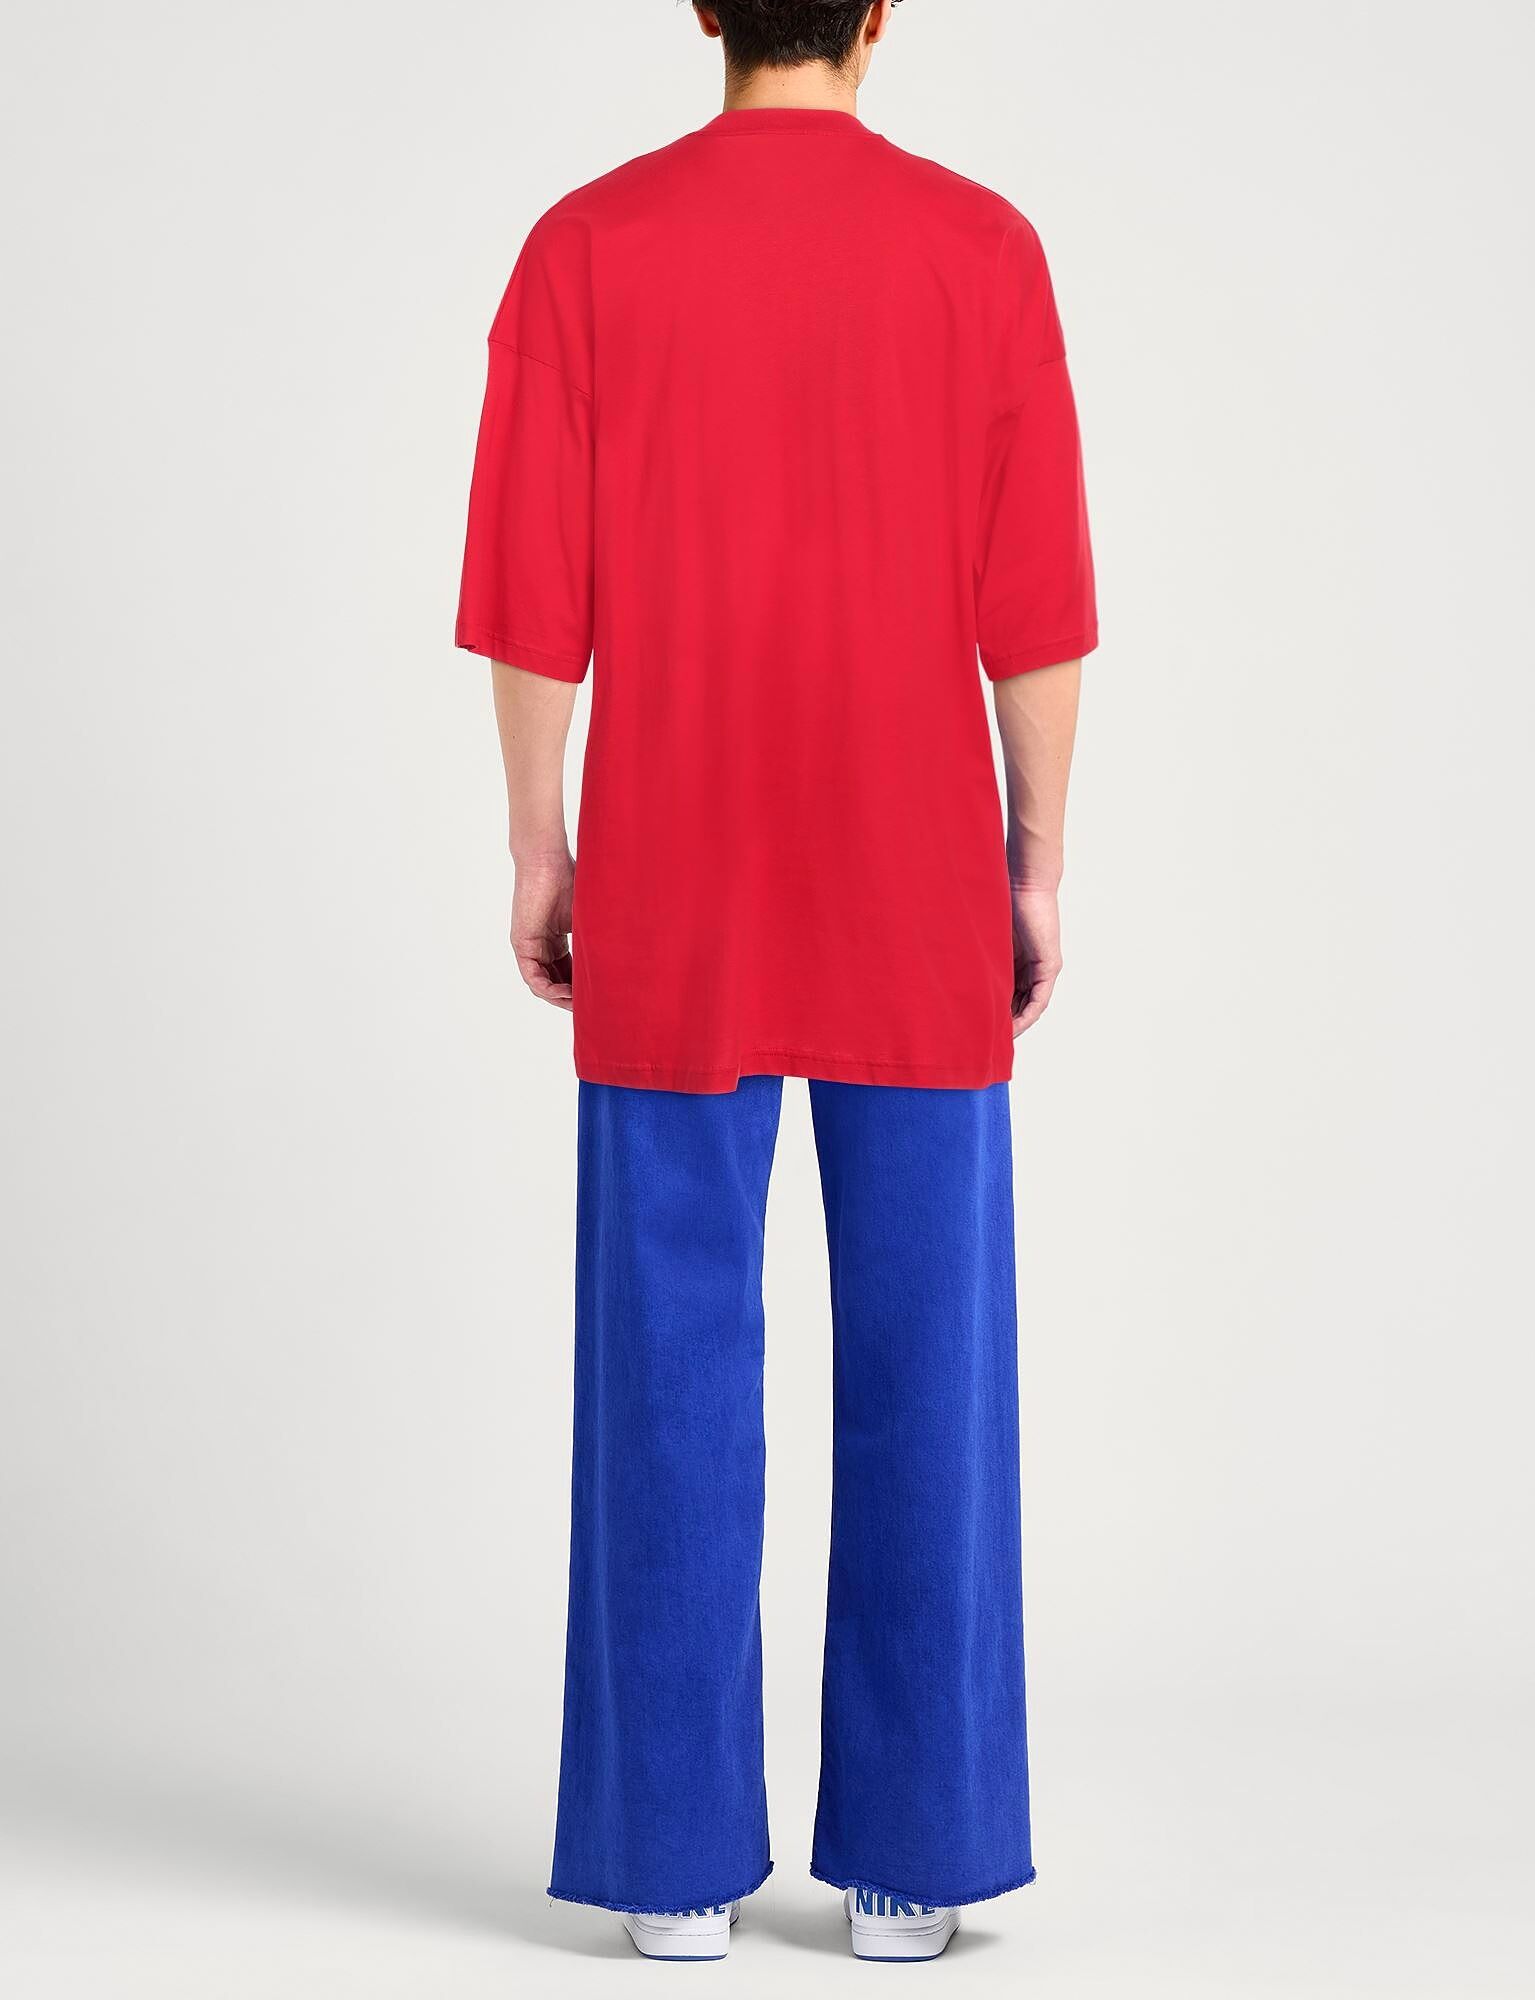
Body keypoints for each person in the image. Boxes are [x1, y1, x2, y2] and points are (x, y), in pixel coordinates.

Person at [456, 0, 1095, 1964]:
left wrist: (542, 845)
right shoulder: (980, 252)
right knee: (931, 1368)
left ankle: (671, 1861)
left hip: (681, 870)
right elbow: (1037, 604)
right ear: (879, 12)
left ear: (707, 5)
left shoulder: (587, 249)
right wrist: (1035, 858)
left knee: (665, 1366)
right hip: (911, 872)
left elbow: (529, 597)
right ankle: (915, 1856)